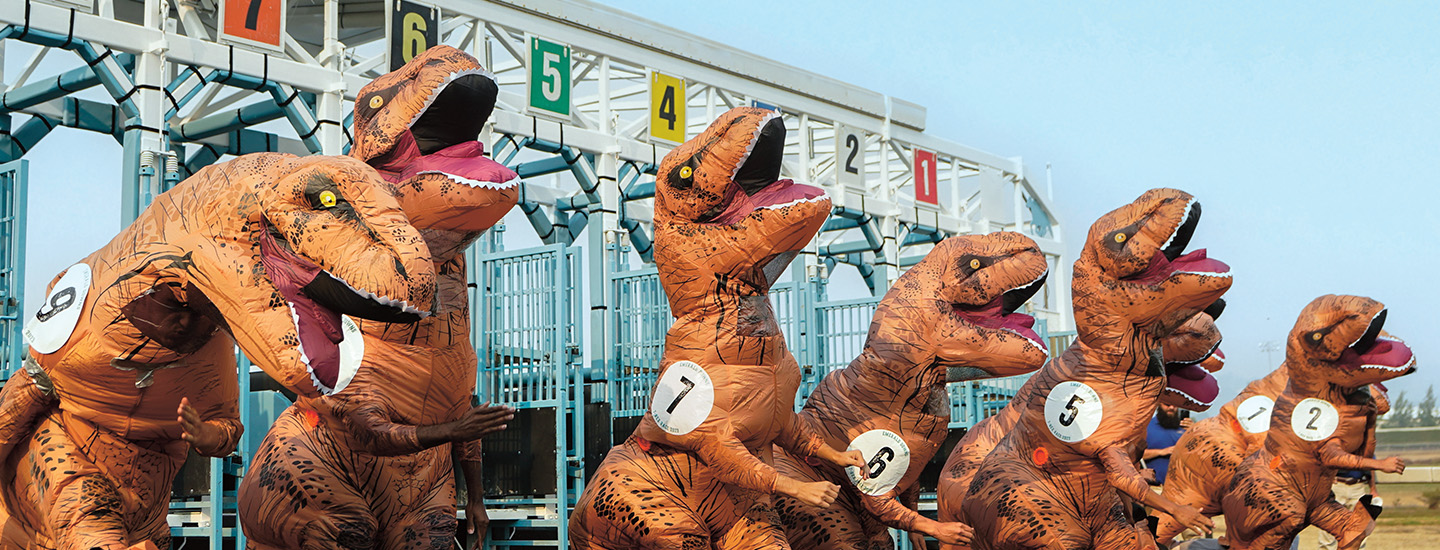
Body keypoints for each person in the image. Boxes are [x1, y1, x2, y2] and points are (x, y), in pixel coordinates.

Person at [1144, 402, 1194, 486]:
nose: (1171, 407)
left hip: (1182, 488)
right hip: (1154, 488)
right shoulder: (1146, 427)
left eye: (1175, 405)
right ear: (1158, 404)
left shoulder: (1186, 429)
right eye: (1167, 404)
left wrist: (1196, 430)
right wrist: (1162, 452)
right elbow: (1133, 455)